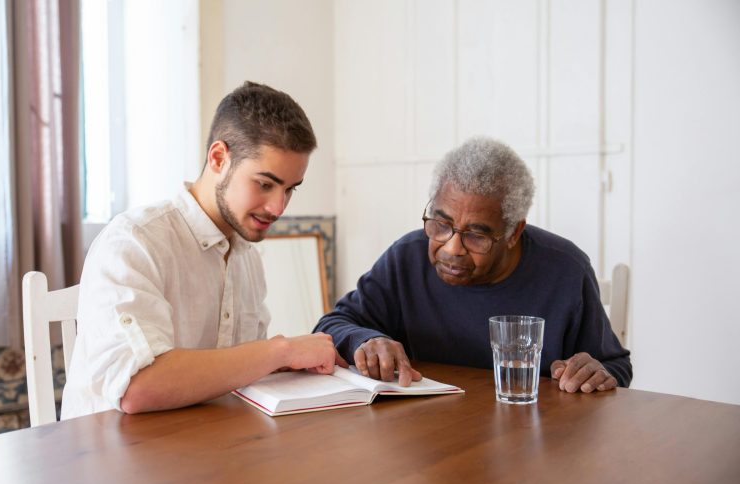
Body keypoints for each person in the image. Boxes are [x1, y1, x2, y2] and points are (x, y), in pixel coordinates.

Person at [62, 82, 346, 419]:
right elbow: (137, 388)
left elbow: (243, 373)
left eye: (289, 189)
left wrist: (296, 365)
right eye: (265, 184)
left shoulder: (247, 257)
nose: (278, 207)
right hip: (110, 459)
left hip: (202, 448)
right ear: (218, 158)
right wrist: (280, 351)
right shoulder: (134, 241)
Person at [315, 136, 631, 393]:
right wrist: (367, 340)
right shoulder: (406, 258)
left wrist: (595, 372)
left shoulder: (565, 270)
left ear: (513, 232)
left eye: (476, 236)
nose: (451, 248)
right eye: (440, 224)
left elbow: (615, 366)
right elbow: (330, 326)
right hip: (428, 441)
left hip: (531, 443)